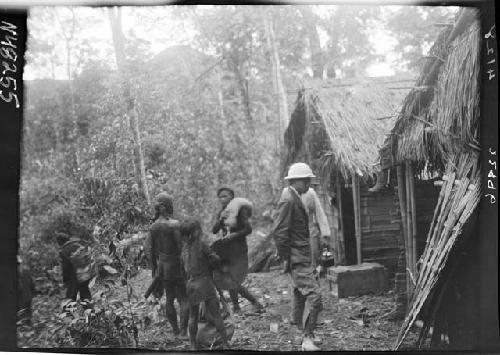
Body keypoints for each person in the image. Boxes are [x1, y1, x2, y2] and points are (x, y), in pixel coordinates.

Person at [271, 162, 323, 351]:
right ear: (296, 180)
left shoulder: (294, 196)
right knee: (315, 297)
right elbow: (279, 232)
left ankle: (299, 334)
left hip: (300, 255)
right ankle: (307, 337)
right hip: (297, 256)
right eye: (306, 180)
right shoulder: (288, 199)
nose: (309, 184)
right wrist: (287, 257)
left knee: (299, 295)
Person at [211, 187, 264, 314]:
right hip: (226, 250)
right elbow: (214, 230)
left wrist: (233, 236)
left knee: (233, 279)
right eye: (221, 197)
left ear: (232, 197)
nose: (223, 199)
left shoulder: (240, 210)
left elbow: (248, 229)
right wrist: (220, 219)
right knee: (229, 278)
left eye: (226, 196)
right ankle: (237, 307)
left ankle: (254, 303)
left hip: (238, 250)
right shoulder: (222, 212)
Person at [180, 218, 230, 350]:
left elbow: (183, 270)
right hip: (205, 284)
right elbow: (214, 260)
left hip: (190, 284)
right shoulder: (202, 245)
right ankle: (225, 343)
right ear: (196, 232)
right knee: (217, 315)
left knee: (193, 317)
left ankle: (192, 345)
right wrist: (216, 261)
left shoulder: (184, 250)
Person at [149, 192, 188, 338]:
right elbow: (181, 248)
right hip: (176, 265)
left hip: (163, 267)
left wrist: (154, 270)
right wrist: (186, 267)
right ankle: (183, 332)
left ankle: (176, 331)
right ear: (168, 206)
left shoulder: (153, 226)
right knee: (184, 299)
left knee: (169, 299)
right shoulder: (174, 225)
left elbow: (151, 251)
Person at [57, 231, 94, 302]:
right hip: (86, 272)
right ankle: (90, 309)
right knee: (85, 293)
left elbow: (66, 267)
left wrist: (65, 279)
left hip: (75, 276)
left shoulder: (64, 250)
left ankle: (69, 312)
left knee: (70, 297)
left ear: (60, 242)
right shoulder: (77, 244)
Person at [300, 185, 331, 269]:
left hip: (310, 228)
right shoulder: (288, 194)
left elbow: (319, 212)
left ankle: (315, 273)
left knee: (314, 253)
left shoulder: (310, 193)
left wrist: (325, 233)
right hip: (296, 231)